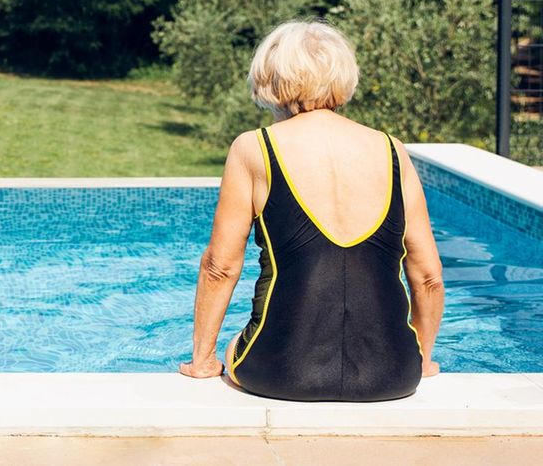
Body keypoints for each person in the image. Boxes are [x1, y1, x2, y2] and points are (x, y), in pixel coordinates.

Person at [178, 20, 444, 401]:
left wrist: (202, 360)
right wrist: (422, 360)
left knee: (237, 343)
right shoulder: (392, 150)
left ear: (270, 78)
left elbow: (220, 267)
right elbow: (429, 276)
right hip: (394, 376)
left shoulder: (254, 148)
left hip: (279, 374)